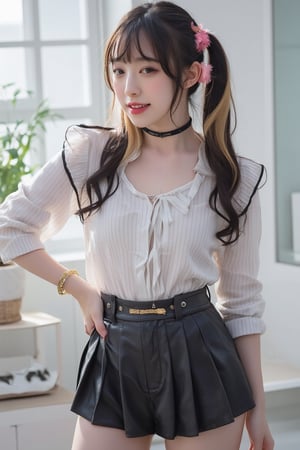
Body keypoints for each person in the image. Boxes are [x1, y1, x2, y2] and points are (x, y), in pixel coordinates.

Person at [0, 2, 274, 449]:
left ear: (189, 75)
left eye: (147, 69)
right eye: (119, 69)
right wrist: (79, 288)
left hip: (202, 353)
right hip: (115, 349)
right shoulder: (91, 155)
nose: (129, 88)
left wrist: (259, 410)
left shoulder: (232, 178)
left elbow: (242, 304)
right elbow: (10, 226)